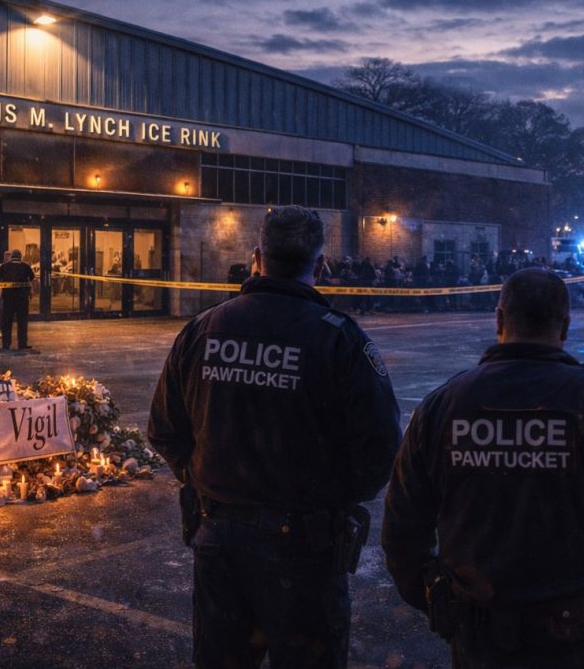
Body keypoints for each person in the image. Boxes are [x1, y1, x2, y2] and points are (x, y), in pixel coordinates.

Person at [383, 268, 584, 668]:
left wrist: (445, 599)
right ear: (566, 326)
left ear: (500, 320)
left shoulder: (443, 406)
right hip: (583, 639)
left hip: (481, 640)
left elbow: (402, 530)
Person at [147, 205, 402, 668]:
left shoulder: (204, 329)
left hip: (219, 538)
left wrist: (206, 478)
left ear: (256, 257)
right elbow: (380, 447)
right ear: (321, 265)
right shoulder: (338, 339)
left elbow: (164, 429)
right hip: (305, 550)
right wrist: (329, 497)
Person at [0, 248, 34, 351]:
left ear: (11, 257)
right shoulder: (25, 266)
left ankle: (6, 344)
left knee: (7, 321)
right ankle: (22, 344)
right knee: (22, 322)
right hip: (22, 299)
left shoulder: (4, 266)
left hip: (8, 298)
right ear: (20, 257)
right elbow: (32, 277)